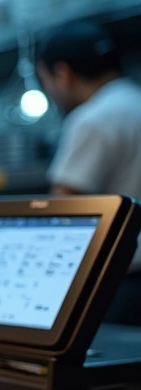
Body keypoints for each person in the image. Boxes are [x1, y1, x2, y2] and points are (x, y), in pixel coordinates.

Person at [37, 20, 141, 325]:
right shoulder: (135, 103)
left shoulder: (92, 119)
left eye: (45, 82)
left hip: (124, 285)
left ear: (62, 74)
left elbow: (62, 211)